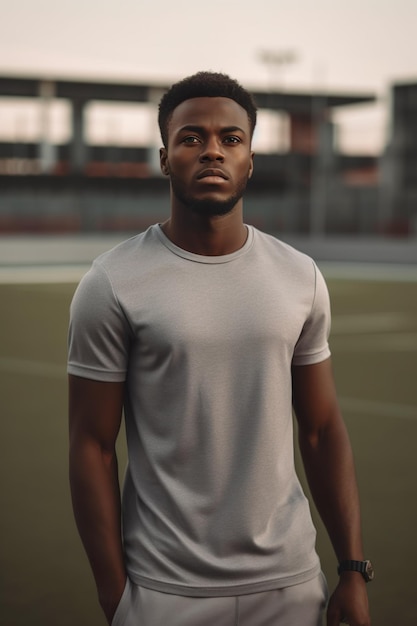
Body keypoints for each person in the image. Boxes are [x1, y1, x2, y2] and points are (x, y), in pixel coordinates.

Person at [68, 71, 372, 626]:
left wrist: (351, 569)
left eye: (231, 139)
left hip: (291, 585)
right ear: (165, 158)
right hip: (164, 590)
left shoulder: (299, 276)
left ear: (250, 160)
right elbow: (92, 446)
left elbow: (322, 430)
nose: (212, 151)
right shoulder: (111, 282)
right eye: (192, 138)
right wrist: (115, 596)